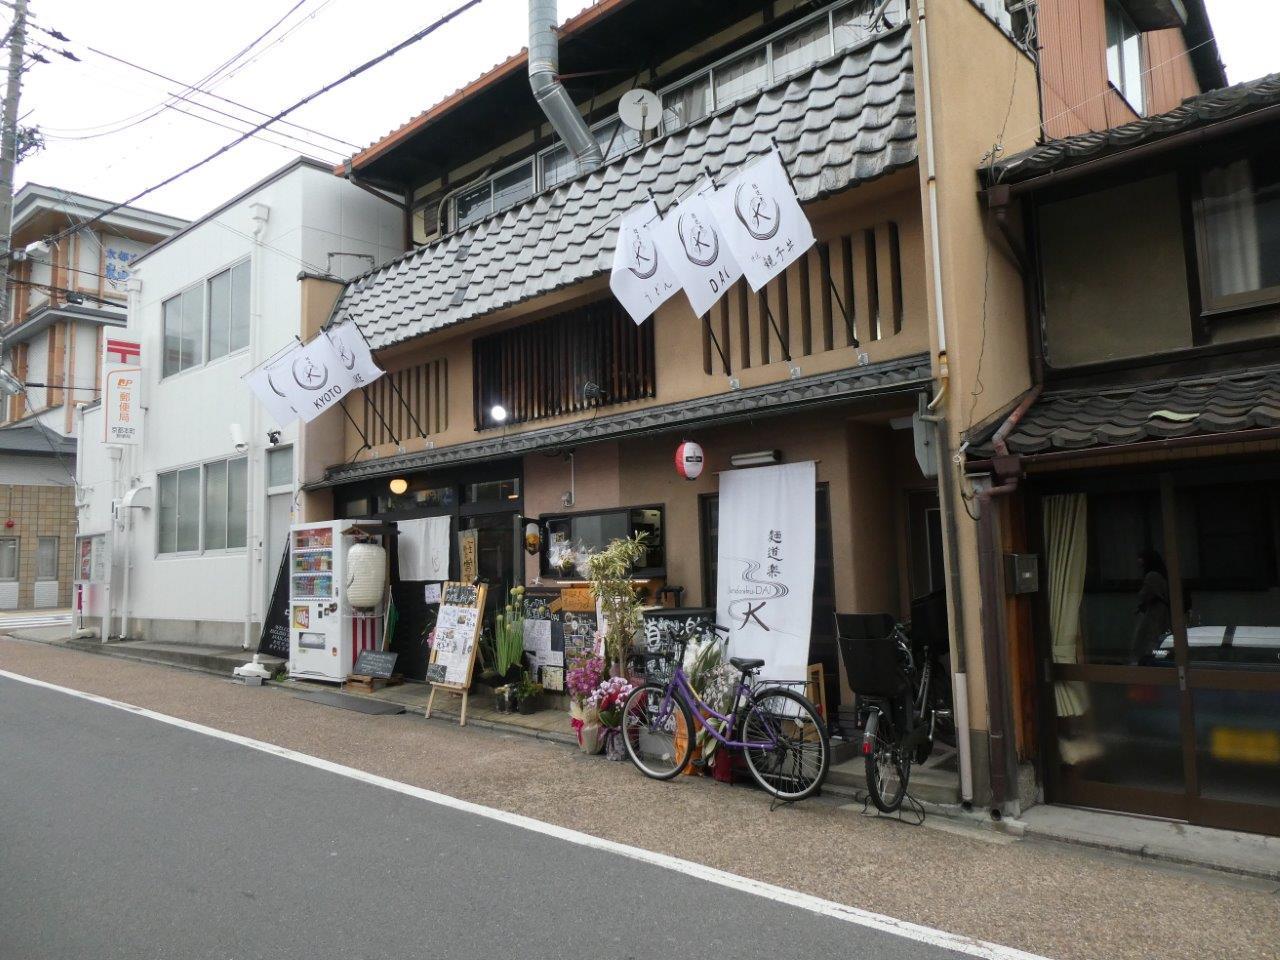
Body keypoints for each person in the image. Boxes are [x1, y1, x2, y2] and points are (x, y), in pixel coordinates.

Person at [1132, 549, 1171, 663]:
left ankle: (1154, 659)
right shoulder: (1161, 574)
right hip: (1160, 610)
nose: (1139, 561)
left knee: (1152, 636)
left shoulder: (1152, 576)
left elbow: (1145, 594)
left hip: (1155, 611)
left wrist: (1142, 604)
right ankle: (1160, 657)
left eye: (1141, 558)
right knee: (1159, 635)